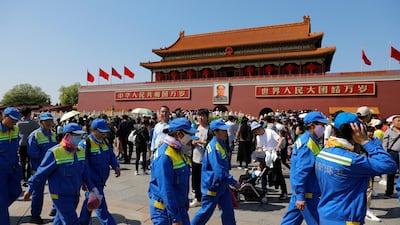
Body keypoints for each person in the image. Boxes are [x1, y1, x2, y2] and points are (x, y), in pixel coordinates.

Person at [315, 112, 397, 224]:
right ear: (357, 131)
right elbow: (389, 165)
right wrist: (366, 142)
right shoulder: (352, 161)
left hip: (326, 214)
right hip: (346, 218)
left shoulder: (324, 153)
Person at [24, 123, 99, 225]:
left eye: (80, 135)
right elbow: (41, 173)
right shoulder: (54, 152)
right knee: (71, 221)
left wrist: (92, 188)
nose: (79, 138)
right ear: (67, 136)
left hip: (74, 194)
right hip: (60, 196)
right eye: (76, 135)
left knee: (59, 221)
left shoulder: (80, 151)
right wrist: (30, 188)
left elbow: (85, 172)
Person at [281, 111, 330, 225]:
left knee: (290, 222)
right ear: (312, 126)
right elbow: (301, 172)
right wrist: (300, 196)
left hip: (302, 192)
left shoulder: (309, 140)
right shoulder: (308, 143)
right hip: (307, 194)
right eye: (321, 125)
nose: (323, 128)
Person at [148, 117, 198, 225]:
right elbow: (166, 189)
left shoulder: (178, 151)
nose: (191, 139)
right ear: (179, 134)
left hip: (178, 208)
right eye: (189, 135)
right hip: (165, 212)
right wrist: (175, 217)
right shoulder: (165, 156)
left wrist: (185, 203)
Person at [191, 119, 241, 225]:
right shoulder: (214, 147)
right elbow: (219, 171)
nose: (225, 133)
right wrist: (234, 182)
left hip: (222, 184)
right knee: (205, 212)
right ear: (215, 132)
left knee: (228, 211)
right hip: (212, 185)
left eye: (225, 130)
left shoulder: (220, 144)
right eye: (222, 130)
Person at [79, 118, 121, 225]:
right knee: (100, 205)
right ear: (93, 130)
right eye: (101, 132)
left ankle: (82, 222)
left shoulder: (105, 142)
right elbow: (82, 165)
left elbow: (111, 155)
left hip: (102, 179)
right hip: (92, 181)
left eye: (105, 132)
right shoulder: (86, 143)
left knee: (90, 200)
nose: (104, 134)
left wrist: (116, 166)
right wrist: (84, 181)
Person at [27, 112, 58, 223]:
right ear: (41, 122)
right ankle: (35, 215)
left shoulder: (53, 134)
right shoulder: (35, 135)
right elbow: (32, 153)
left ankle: (55, 209)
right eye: (46, 121)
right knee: (37, 193)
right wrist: (45, 160)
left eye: (50, 120)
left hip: (53, 168)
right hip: (39, 168)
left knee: (56, 189)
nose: (49, 123)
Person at [251, 121, 287, 200]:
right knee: (263, 174)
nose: (255, 133)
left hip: (274, 154)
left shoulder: (270, 132)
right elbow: (260, 147)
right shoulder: (258, 137)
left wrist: (277, 146)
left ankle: (284, 192)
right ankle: (264, 191)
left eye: (255, 131)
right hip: (265, 155)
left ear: (259, 128)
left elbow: (279, 139)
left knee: (279, 174)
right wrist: (258, 158)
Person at [0, 107, 22, 225]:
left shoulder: (15, 130)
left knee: (17, 191)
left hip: (13, 169)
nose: (15, 122)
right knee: (2, 202)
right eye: (12, 119)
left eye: (16, 120)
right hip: (1, 172)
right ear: (5, 116)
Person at [190, 109, 211, 208]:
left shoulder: (210, 130)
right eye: (199, 116)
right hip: (195, 158)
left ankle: (206, 199)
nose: (201, 118)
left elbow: (212, 144)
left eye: (203, 116)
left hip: (206, 159)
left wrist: (201, 142)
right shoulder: (194, 128)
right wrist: (192, 143)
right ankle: (198, 199)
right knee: (196, 180)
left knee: (206, 180)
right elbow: (190, 141)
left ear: (207, 117)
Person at [17, 107, 40, 185]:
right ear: (29, 113)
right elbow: (39, 130)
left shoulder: (18, 123)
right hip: (30, 145)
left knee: (22, 162)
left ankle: (23, 179)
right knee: (30, 162)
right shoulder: (33, 123)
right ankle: (29, 177)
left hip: (21, 144)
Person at [383, 114, 400, 198]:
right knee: (391, 173)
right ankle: (389, 192)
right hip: (392, 153)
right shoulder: (389, 131)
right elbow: (385, 144)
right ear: (393, 122)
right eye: (398, 121)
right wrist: (385, 155)